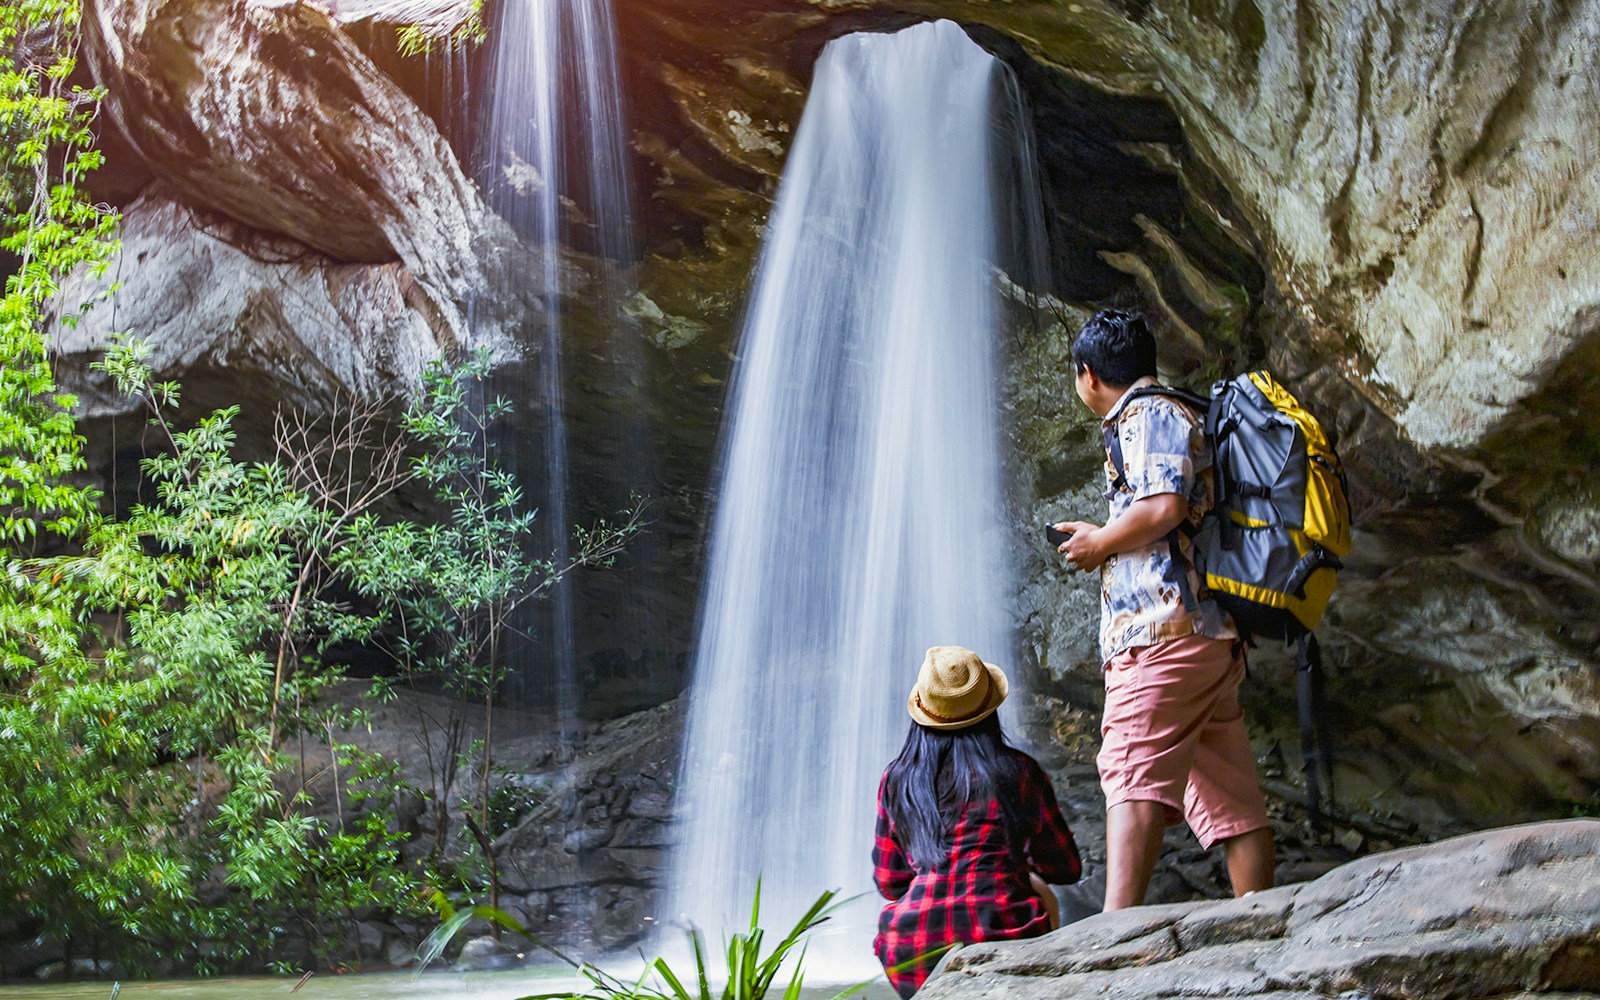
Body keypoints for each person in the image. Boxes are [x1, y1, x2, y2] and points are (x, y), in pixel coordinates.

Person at [1053, 308, 1274, 911]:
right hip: (1208, 634)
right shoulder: (1182, 409)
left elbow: (1166, 505)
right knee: (1231, 798)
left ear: (1088, 375)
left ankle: (1111, 942)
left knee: (1129, 770)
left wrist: (1100, 542)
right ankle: (1265, 921)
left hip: (1163, 632)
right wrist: (1103, 532)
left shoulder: (1146, 413)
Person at [872, 645, 1081, 998]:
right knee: (1042, 893)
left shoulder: (897, 779)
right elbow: (1065, 868)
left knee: (901, 907)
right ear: (990, 711)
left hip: (912, 949)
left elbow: (890, 882)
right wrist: (1010, 863)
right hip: (1007, 932)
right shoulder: (1018, 771)